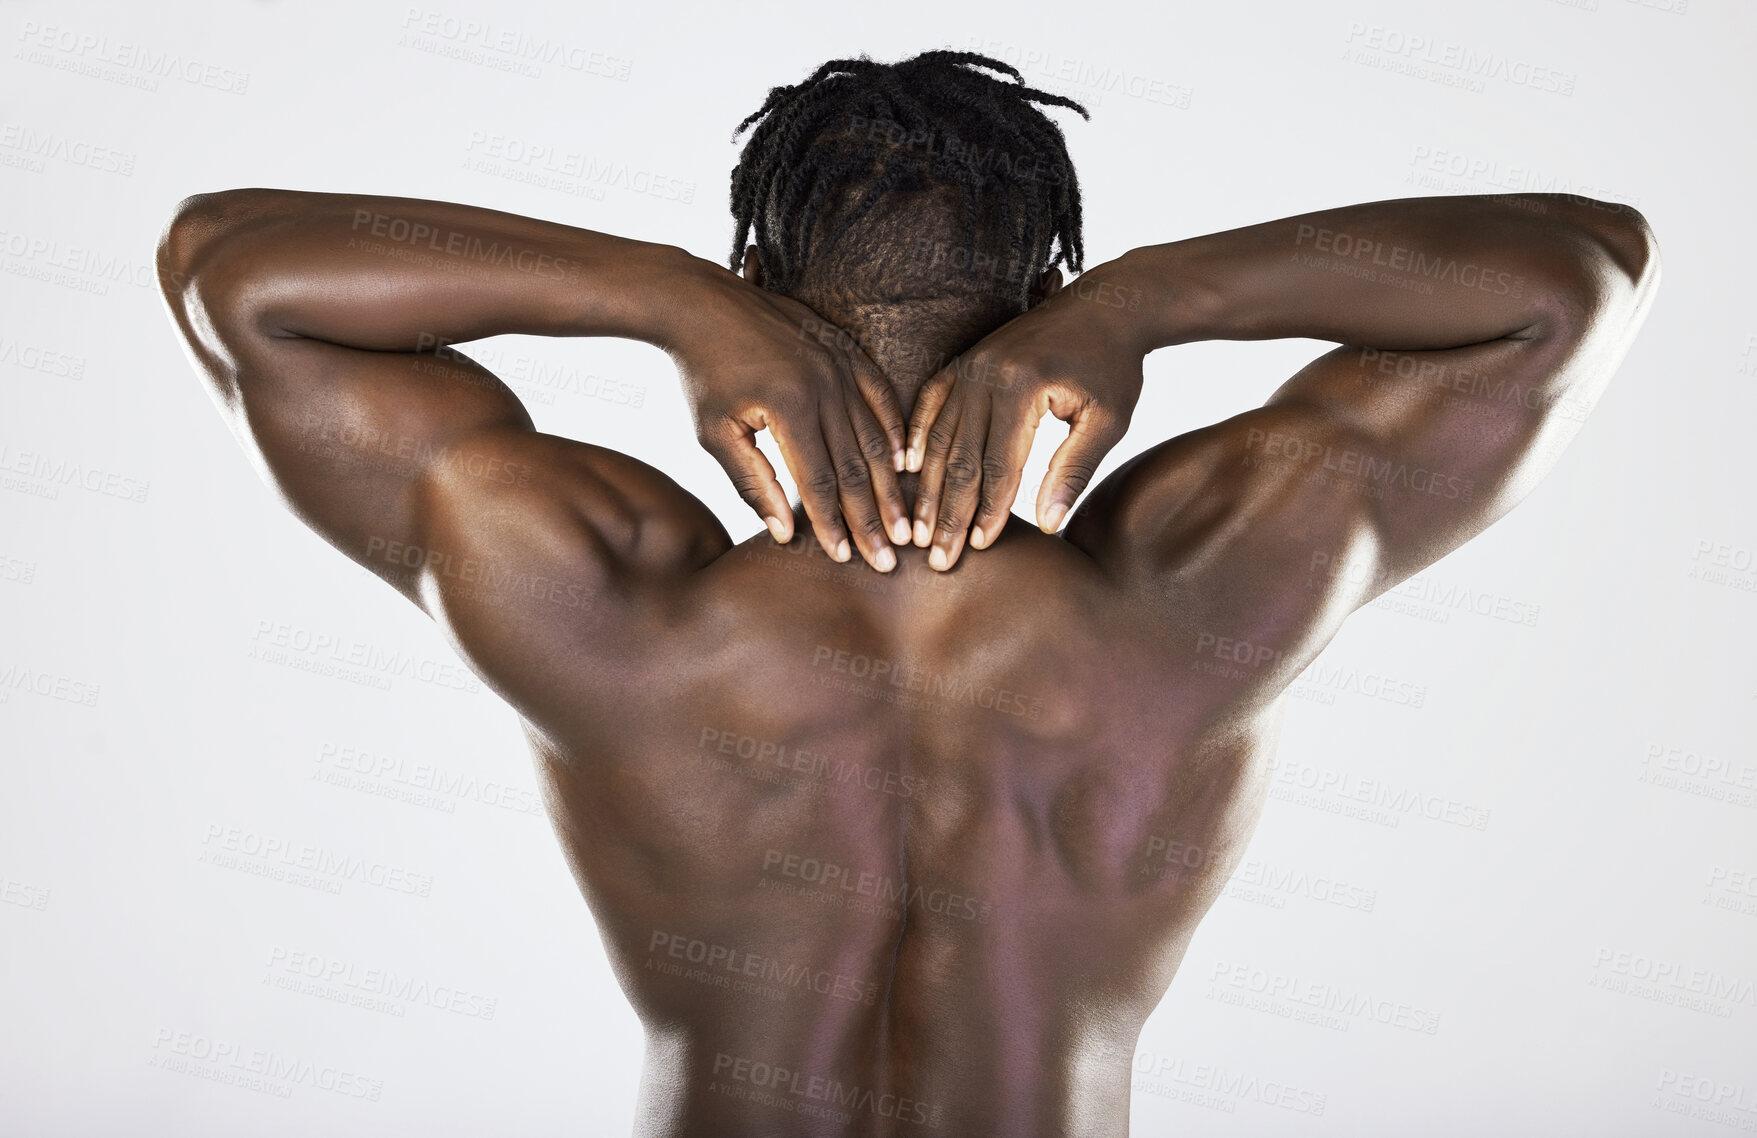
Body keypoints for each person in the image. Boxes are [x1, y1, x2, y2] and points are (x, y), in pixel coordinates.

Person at [156, 49, 1657, 1138]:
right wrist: (1143, 303)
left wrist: (668, 300)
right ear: (1041, 280)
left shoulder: (608, 595)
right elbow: (1575, 272)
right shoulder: (1196, 574)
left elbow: (231, 268)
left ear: (763, 264)